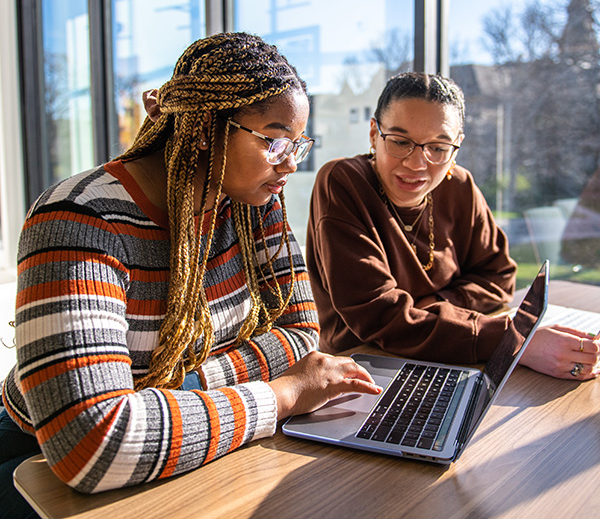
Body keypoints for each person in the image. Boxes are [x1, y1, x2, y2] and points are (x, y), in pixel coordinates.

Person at [0, 32, 381, 518]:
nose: (289, 163)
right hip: (32, 458)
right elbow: (94, 443)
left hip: (182, 451)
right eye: (274, 140)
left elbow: (301, 336)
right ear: (204, 127)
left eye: (298, 143)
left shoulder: (252, 203)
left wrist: (154, 399)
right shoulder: (79, 220)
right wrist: (283, 393)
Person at [306, 71, 599, 381]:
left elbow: (499, 277)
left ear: (457, 145)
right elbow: (379, 318)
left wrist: (437, 305)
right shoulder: (343, 181)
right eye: (400, 141)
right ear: (373, 134)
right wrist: (515, 340)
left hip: (454, 358)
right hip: (366, 368)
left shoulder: (459, 185)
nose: (418, 163)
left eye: (439, 147)